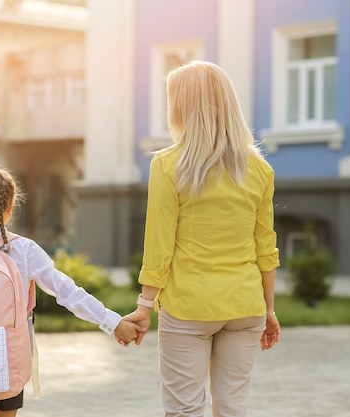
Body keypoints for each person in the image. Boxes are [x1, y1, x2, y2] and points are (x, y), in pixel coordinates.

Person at [124, 61, 281, 417]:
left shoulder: (167, 165)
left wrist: (145, 306)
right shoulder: (259, 169)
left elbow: (159, 244)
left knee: (184, 410)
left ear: (181, 106)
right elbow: (265, 249)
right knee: (233, 407)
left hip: (188, 308)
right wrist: (269, 310)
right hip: (246, 306)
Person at [0, 163, 143, 417]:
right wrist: (113, 322)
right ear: (9, 206)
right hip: (5, 360)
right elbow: (67, 292)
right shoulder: (23, 251)